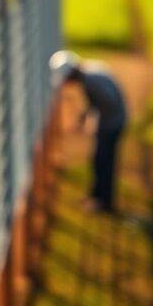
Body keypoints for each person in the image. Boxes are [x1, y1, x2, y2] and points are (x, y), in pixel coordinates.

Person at [49, 50, 127, 213]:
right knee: (100, 160)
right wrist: (88, 116)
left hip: (111, 124)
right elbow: (99, 101)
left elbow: (109, 101)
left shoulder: (91, 81)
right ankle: (98, 197)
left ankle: (103, 202)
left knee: (104, 162)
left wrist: (94, 118)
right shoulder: (90, 73)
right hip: (110, 122)